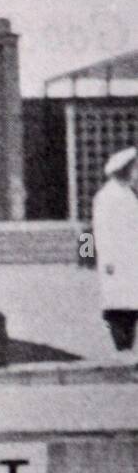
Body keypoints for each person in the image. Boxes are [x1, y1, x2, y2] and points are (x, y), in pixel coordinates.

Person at [92, 146, 138, 357]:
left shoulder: (128, 193)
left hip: (131, 257)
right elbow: (100, 230)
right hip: (116, 261)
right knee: (118, 306)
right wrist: (108, 259)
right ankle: (121, 348)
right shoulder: (107, 196)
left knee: (130, 305)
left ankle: (127, 346)